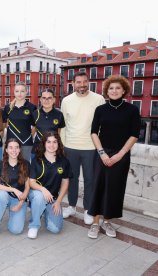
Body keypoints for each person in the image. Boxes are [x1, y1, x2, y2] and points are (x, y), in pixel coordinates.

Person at [87, 75, 140, 239]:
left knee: (114, 189)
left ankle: (107, 221)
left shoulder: (132, 110)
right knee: (98, 187)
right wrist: (102, 153)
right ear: (107, 91)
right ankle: (95, 223)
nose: (114, 91)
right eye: (111, 88)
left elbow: (134, 135)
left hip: (121, 155)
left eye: (118, 88)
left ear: (124, 90)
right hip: (102, 153)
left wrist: (120, 155)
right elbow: (94, 132)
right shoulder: (101, 109)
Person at [61, 72, 105, 224]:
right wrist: (62, 146)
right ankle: (71, 206)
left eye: (85, 81)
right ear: (73, 83)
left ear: (89, 82)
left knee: (90, 179)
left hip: (90, 147)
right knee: (71, 179)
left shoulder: (99, 99)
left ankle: (88, 209)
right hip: (70, 146)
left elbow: (101, 125)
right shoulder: (66, 101)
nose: (82, 85)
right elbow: (63, 125)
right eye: (78, 82)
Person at [28, 132, 71, 239]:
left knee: (55, 229)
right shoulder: (37, 160)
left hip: (53, 199)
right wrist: (43, 189)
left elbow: (65, 182)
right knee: (39, 197)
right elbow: (31, 182)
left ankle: (42, 211)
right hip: (37, 194)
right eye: (49, 142)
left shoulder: (64, 161)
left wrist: (58, 202)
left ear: (58, 143)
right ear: (44, 143)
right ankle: (34, 225)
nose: (52, 145)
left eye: (55, 142)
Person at [0, 138, 30, 237]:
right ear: (6, 149)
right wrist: (14, 189)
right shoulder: (0, 164)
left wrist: (20, 204)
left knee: (16, 230)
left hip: (19, 199)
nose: (14, 150)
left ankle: (14, 214)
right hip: (5, 195)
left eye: (16, 147)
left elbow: (27, 187)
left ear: (20, 149)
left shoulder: (25, 164)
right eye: (10, 147)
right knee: (0, 194)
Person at [3, 82, 36, 162]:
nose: (19, 94)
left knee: (25, 167)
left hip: (26, 143)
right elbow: (4, 124)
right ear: (14, 92)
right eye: (17, 91)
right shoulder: (8, 108)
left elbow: (35, 126)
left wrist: (26, 136)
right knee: (10, 167)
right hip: (11, 144)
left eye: (22, 91)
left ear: (26, 92)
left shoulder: (32, 107)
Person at [32, 88, 65, 155]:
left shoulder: (59, 115)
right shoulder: (35, 114)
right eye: (44, 98)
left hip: (53, 150)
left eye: (49, 98)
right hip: (37, 150)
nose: (46, 100)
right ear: (40, 100)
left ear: (54, 100)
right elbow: (32, 131)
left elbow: (58, 133)